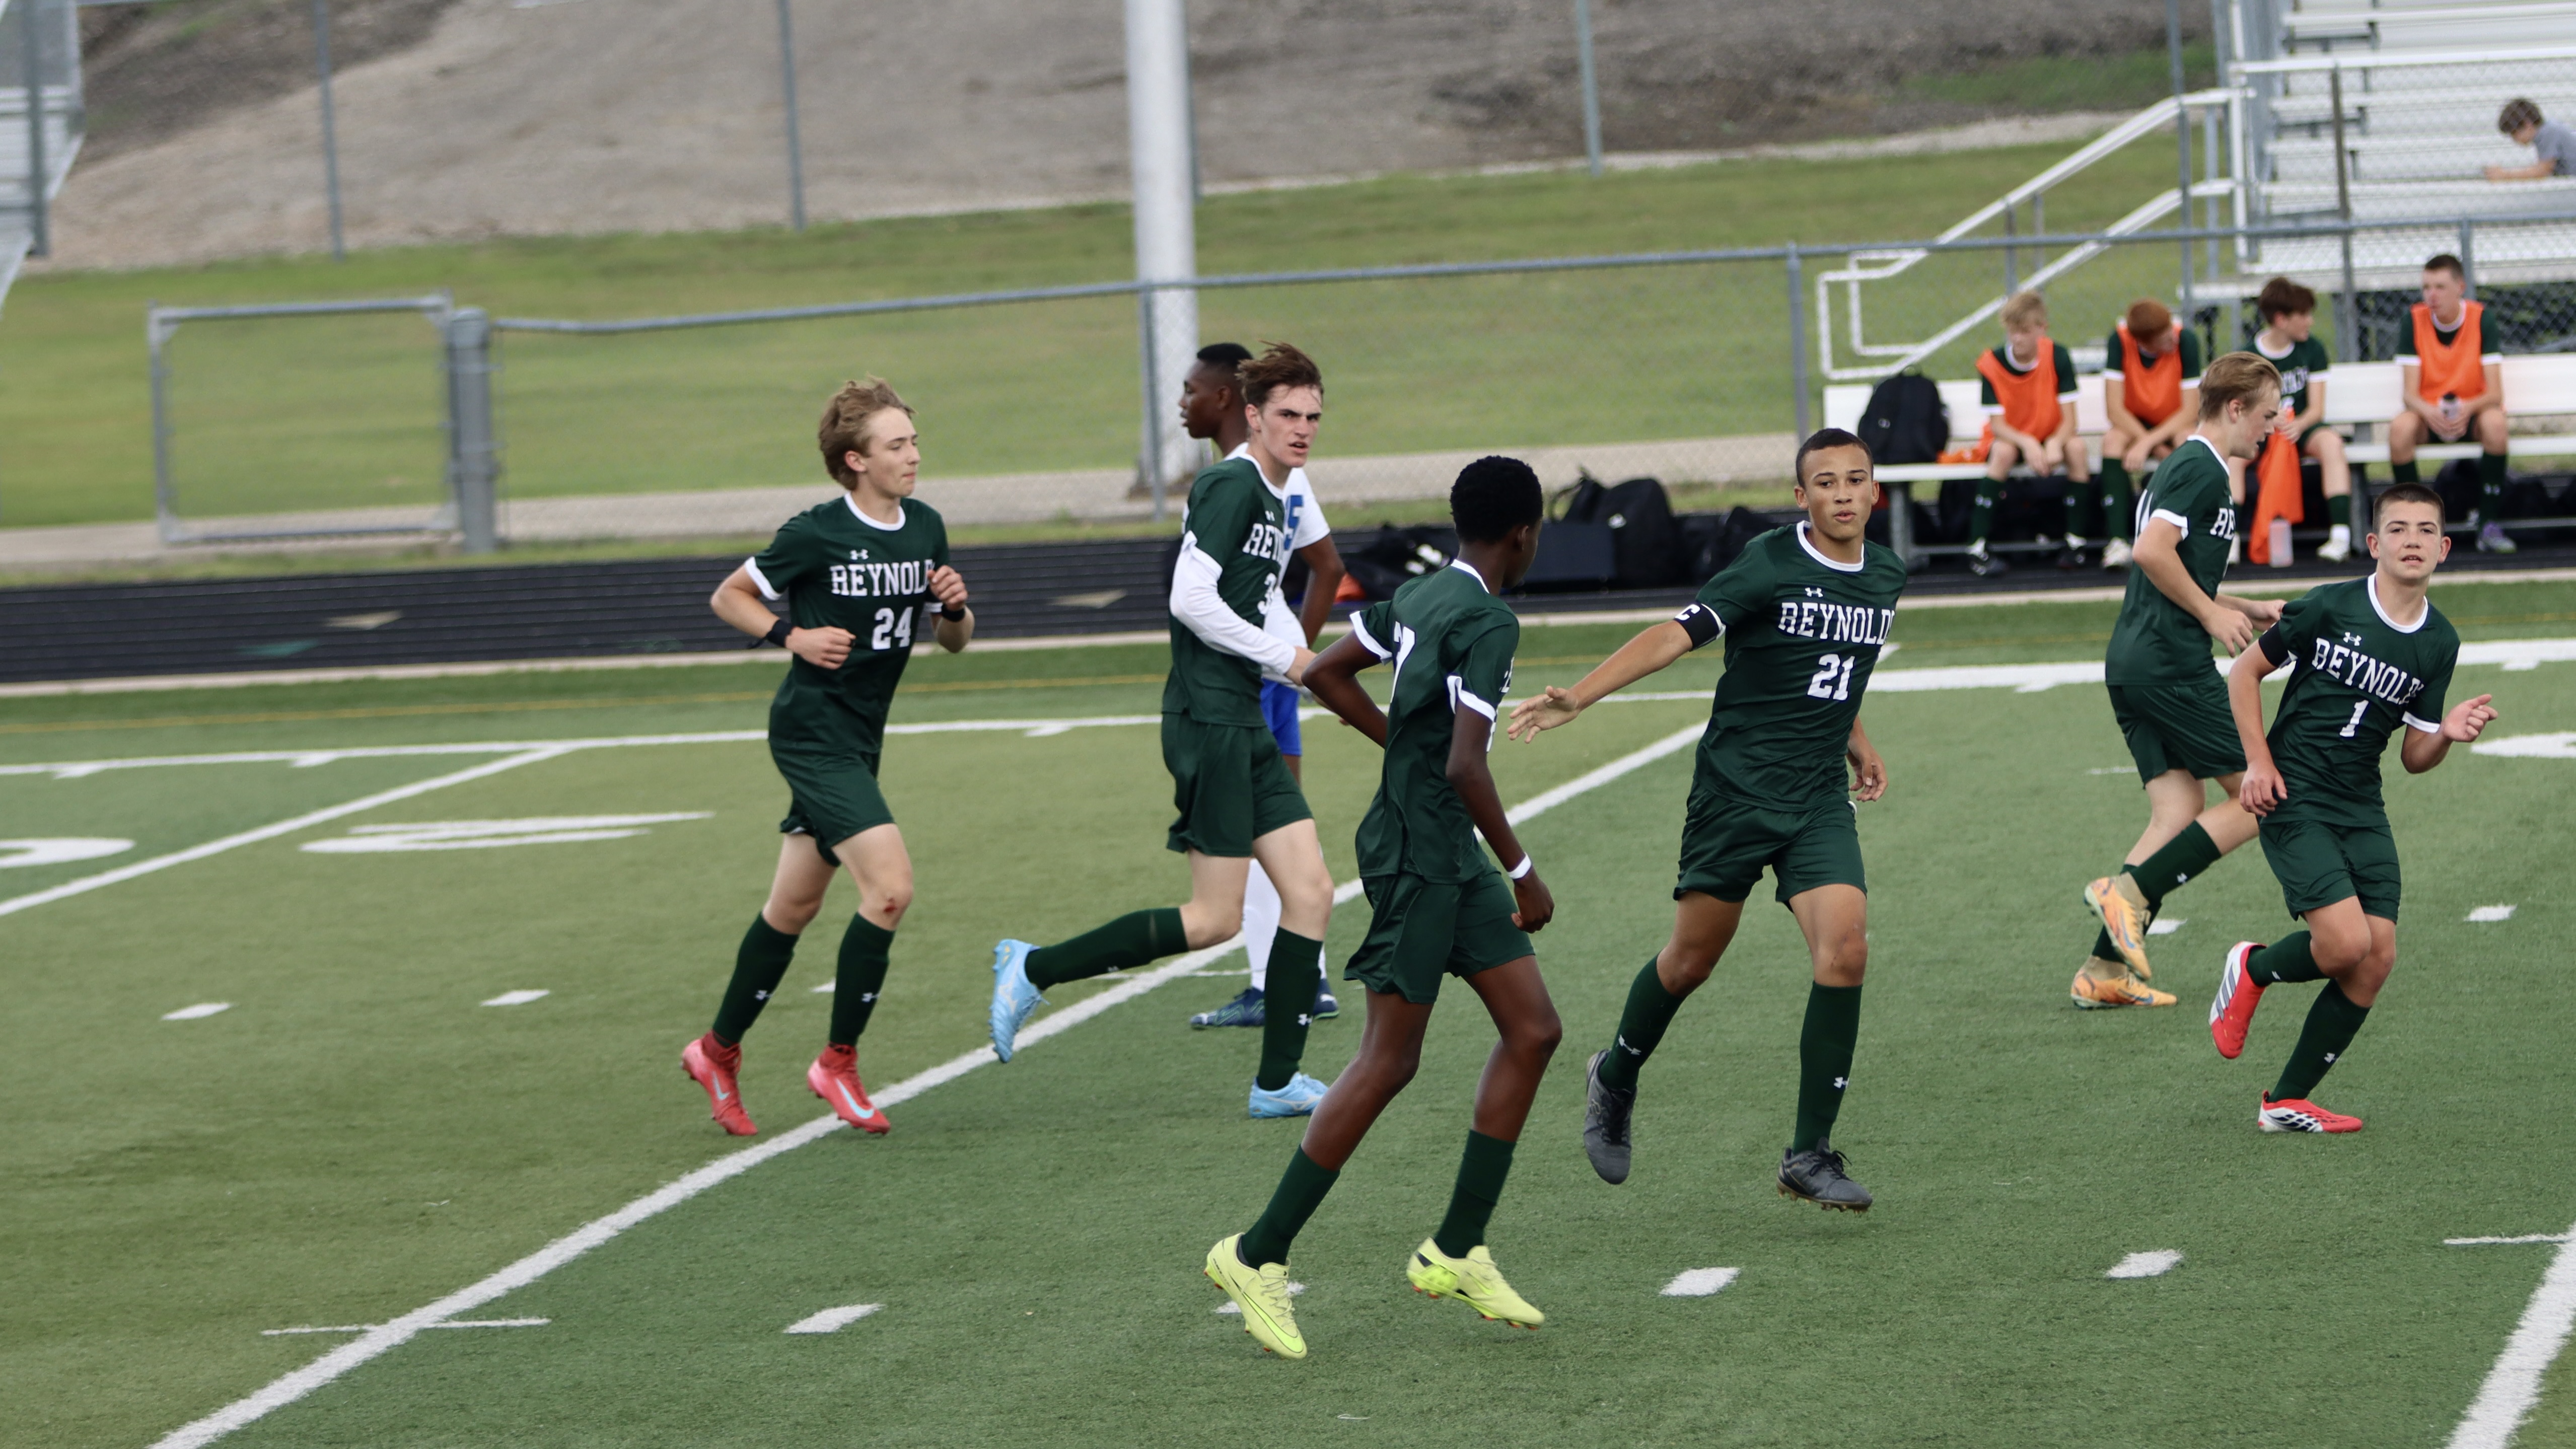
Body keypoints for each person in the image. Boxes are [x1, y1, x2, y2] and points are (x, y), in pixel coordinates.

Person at [1202, 457, 1557, 1360]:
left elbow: (1325, 671)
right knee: (1387, 1060)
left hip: (1445, 852)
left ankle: (1457, 1248)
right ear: (1524, 534)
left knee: (1533, 1029)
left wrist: (1400, 744)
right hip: (1418, 854)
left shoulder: (1424, 594)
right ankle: (1255, 1253)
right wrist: (1523, 871)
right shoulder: (1489, 619)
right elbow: (1465, 764)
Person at [1511, 427, 1903, 1211]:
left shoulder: (1886, 574)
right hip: (1735, 794)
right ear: (1802, 496)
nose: (1843, 494)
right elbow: (1673, 635)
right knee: (1690, 962)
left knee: (1846, 950)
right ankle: (1615, 1074)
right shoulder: (1768, 562)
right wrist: (1579, 696)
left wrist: (1856, 741)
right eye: (1826, 482)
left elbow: (1832, 670)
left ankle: (1807, 1155)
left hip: (1816, 800)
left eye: (1856, 479)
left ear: (1875, 491)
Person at [987, 343, 1338, 1119]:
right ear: (1254, 416)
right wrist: (1287, 657)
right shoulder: (1230, 485)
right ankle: (1035, 967)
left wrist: (1317, 669)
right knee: (1213, 919)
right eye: (1288, 414)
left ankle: (1277, 1081)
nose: (1303, 428)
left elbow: (1260, 607)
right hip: (1208, 718)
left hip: (1243, 713)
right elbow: (1191, 599)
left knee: (1311, 891)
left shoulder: (1279, 495)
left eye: (1314, 416)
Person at [681, 378, 975, 1137]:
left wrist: (954, 607)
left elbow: (953, 641)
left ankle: (715, 1051)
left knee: (794, 907)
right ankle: (837, 1062)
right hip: (812, 734)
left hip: (861, 736)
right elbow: (728, 596)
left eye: (914, 441)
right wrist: (793, 637)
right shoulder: (816, 532)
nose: (914, 455)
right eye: (896, 445)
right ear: (856, 460)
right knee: (891, 890)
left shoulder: (926, 526)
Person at [2209, 483, 2494, 1132]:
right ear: (2373, 543)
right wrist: (2257, 761)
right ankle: (2251, 967)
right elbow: (2243, 673)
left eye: (2426, 530)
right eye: (2397, 529)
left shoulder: (2440, 641)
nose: (2412, 540)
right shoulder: (2327, 606)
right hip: (2294, 793)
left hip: (2362, 802)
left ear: (2444, 549)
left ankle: (2284, 1101)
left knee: (2377, 955)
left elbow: (2414, 756)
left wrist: (2446, 734)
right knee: (2343, 944)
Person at [2076, 353, 2287, 1009]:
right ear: (2235, 408)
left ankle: (2102, 971)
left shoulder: (2188, 466)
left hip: (2136, 662)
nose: (2272, 428)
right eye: (2267, 415)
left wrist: (2245, 606)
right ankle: (2126, 895)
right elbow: (2149, 553)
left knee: (2177, 810)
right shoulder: (2201, 468)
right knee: (2261, 797)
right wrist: (2212, 614)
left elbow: (2174, 569)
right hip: (2169, 664)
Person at [1177, 342, 1349, 1031]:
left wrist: (1291, 658)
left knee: (1264, 832)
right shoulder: (1252, 479)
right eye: (1292, 414)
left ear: (1227, 400)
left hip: (1251, 680)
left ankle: (1278, 981)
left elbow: (1325, 566)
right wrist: (1297, 659)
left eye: (1192, 390)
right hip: (1269, 666)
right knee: (1281, 833)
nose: (1184, 404)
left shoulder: (1267, 480)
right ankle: (1301, 981)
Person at [2387, 254, 2516, 554]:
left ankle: (2488, 522)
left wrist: (2468, 408)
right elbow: (2409, 395)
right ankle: (2414, 522)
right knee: (2400, 429)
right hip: (2429, 415)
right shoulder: (2413, 320)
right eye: (2426, 287)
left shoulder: (2482, 319)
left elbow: (2495, 393)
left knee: (2496, 424)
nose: (2432, 295)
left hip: (2471, 414)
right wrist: (2429, 412)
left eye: (2440, 287)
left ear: (2460, 287)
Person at [1966, 291, 2092, 576]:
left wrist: (2055, 442)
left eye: (2024, 331)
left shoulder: (2057, 356)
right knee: (2003, 452)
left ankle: (2076, 542)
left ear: (2041, 329)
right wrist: (2028, 442)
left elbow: (2070, 419)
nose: (2017, 338)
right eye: (2012, 331)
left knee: (2076, 448)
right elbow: (1998, 426)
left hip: (2051, 433)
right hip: (2013, 437)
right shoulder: (1992, 363)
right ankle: (1976, 546)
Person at [2250, 278, 2356, 563]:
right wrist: (2269, 420)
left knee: (2332, 444)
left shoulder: (2313, 349)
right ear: (2281, 320)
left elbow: (2316, 409)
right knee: (2233, 457)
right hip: (2264, 431)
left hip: (2301, 428)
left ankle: (2340, 536)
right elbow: (2246, 407)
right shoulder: (2250, 355)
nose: (2310, 321)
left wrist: (2298, 424)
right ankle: (2232, 540)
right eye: (2304, 315)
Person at [2100, 298, 2207, 568]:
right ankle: (2117, 541)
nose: (2173, 335)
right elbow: (2114, 409)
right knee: (2112, 441)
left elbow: (2191, 410)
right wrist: (2150, 444)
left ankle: (2190, 535)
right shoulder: (2120, 341)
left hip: (2173, 420)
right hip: (2135, 422)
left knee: (2188, 442)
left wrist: (2149, 442)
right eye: (2164, 335)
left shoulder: (2186, 341)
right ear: (2144, 342)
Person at [2483, 98, 2576, 181]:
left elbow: (2542, 171)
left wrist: (2505, 175)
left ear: (2528, 124)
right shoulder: (2547, 131)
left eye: (2514, 133)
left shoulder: (2548, 133)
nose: (2514, 139)